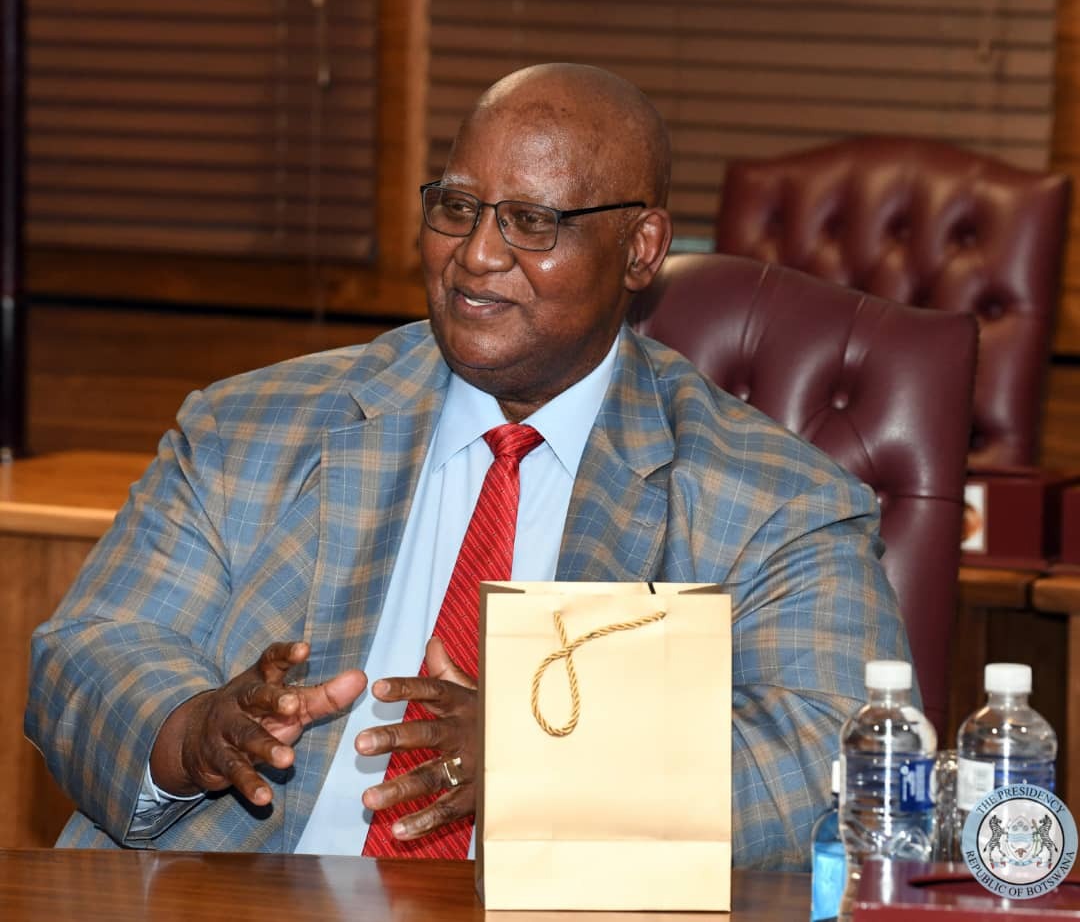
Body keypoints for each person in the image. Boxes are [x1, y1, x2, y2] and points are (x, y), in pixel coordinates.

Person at [25, 62, 909, 869]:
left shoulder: (778, 502)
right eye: (456, 208)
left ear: (641, 247)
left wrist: (553, 764)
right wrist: (194, 733)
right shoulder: (250, 427)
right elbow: (89, 650)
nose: (477, 254)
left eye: (531, 221)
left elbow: (833, 760)